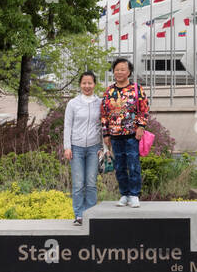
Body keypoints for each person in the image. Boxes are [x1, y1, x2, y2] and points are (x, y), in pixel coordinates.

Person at [100, 57, 149, 207]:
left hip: (132, 135)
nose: (119, 72)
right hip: (115, 136)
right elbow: (104, 114)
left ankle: (134, 194)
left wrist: (141, 126)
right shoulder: (109, 91)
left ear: (129, 72)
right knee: (119, 166)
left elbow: (144, 108)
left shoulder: (136, 89)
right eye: (117, 69)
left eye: (123, 69)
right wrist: (106, 134)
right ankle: (124, 194)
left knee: (133, 164)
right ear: (113, 72)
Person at [63, 71, 103, 225]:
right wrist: (67, 147)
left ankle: (90, 214)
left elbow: (104, 127)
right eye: (84, 83)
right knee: (79, 183)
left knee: (91, 183)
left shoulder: (100, 103)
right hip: (76, 148)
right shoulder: (73, 103)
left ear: (94, 84)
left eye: (90, 83)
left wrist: (104, 148)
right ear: (80, 84)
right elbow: (67, 126)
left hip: (94, 148)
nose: (87, 86)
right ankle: (79, 215)